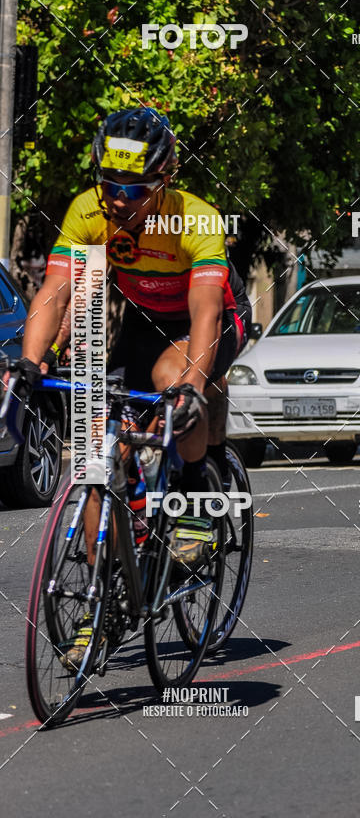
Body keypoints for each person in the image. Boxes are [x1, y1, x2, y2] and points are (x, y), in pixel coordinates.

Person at [10, 108, 251, 662]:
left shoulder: (196, 219)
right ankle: (105, 594)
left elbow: (206, 314)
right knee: (98, 449)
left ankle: (194, 494)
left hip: (210, 320)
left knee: (173, 383)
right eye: (108, 184)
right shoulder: (87, 212)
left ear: (164, 181)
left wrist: (192, 388)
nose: (118, 199)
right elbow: (56, 292)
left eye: (134, 188)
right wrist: (30, 360)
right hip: (142, 321)